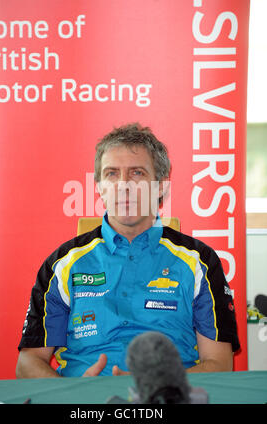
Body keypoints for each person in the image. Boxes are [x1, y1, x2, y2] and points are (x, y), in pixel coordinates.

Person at [16, 123, 240, 378]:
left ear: (160, 188)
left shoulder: (200, 262)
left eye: (136, 173)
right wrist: (72, 395)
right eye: (111, 174)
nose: (123, 185)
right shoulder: (63, 264)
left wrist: (156, 386)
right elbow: (28, 364)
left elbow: (220, 365)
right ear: (99, 187)